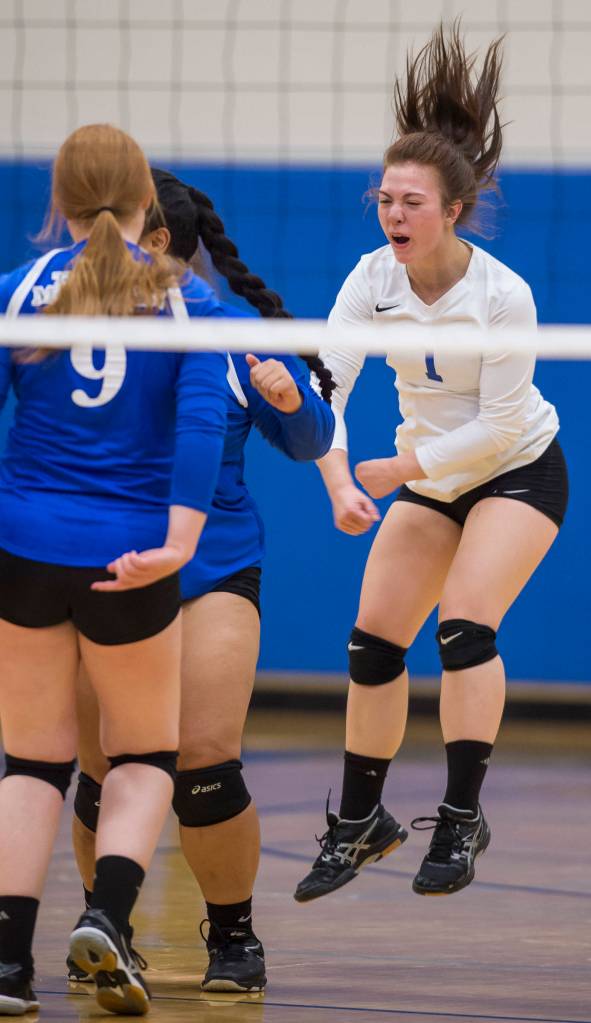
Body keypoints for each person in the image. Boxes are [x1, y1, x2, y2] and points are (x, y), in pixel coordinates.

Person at [294, 22, 568, 904]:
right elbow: (322, 386)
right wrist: (337, 473)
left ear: (452, 209)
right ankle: (360, 823)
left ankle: (458, 816)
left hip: (514, 468)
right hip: (424, 474)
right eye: (384, 199)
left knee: (461, 630)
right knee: (372, 645)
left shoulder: (502, 294)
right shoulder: (370, 277)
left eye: (411, 202)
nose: (393, 215)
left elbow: (495, 427)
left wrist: (391, 469)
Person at [68, 169, 335, 995]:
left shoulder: (231, 335)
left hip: (211, 566)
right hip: (104, 567)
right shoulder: (84, 331)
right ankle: (103, 923)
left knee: (206, 761)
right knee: (100, 767)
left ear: (158, 245)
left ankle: (234, 936)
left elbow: (309, 438)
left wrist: (290, 398)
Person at [0, 125, 232, 1016]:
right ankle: (105, 913)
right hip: (129, 557)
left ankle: (9, 967)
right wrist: (177, 546)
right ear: (149, 205)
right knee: (142, 754)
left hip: (24, 547)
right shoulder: (188, 304)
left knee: (31, 761)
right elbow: (201, 423)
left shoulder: (18, 292)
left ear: (57, 203)